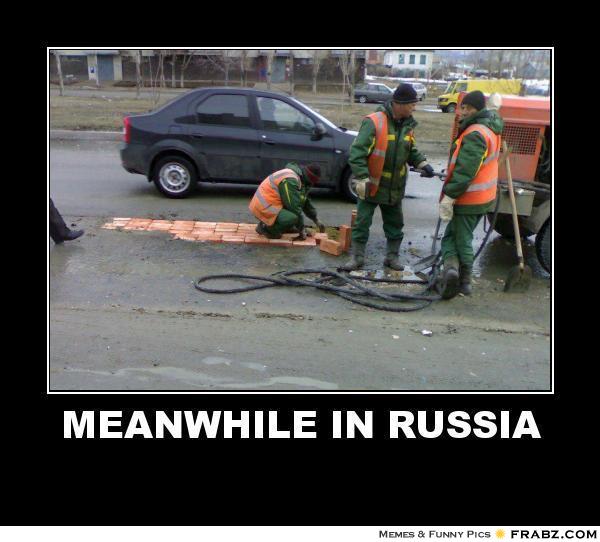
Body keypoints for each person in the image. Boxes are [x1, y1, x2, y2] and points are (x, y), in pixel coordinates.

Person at [341, 83, 435, 271]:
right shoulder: (374, 122)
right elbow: (357, 153)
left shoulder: (407, 125)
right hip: (372, 185)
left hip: (394, 187)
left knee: (395, 225)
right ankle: (357, 258)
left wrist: (422, 163)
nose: (414, 108)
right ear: (400, 104)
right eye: (412, 104)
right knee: (362, 223)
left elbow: (410, 149)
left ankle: (392, 258)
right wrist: (362, 177)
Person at [438, 90, 503, 299]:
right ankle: (451, 271)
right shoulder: (489, 127)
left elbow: (466, 171)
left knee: (461, 239)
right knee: (452, 236)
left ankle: (464, 280)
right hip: (483, 197)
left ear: (475, 109)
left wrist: (450, 196)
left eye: (465, 108)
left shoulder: (475, 133)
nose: (461, 112)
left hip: (469, 197)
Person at [249, 162, 325, 239]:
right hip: (263, 206)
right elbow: (293, 207)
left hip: (270, 204)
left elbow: (304, 201)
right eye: (314, 180)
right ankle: (266, 229)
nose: (313, 184)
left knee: (292, 215)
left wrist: (315, 219)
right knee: (292, 217)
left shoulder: (301, 179)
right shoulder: (291, 180)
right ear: (309, 177)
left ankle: (284, 227)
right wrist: (302, 229)